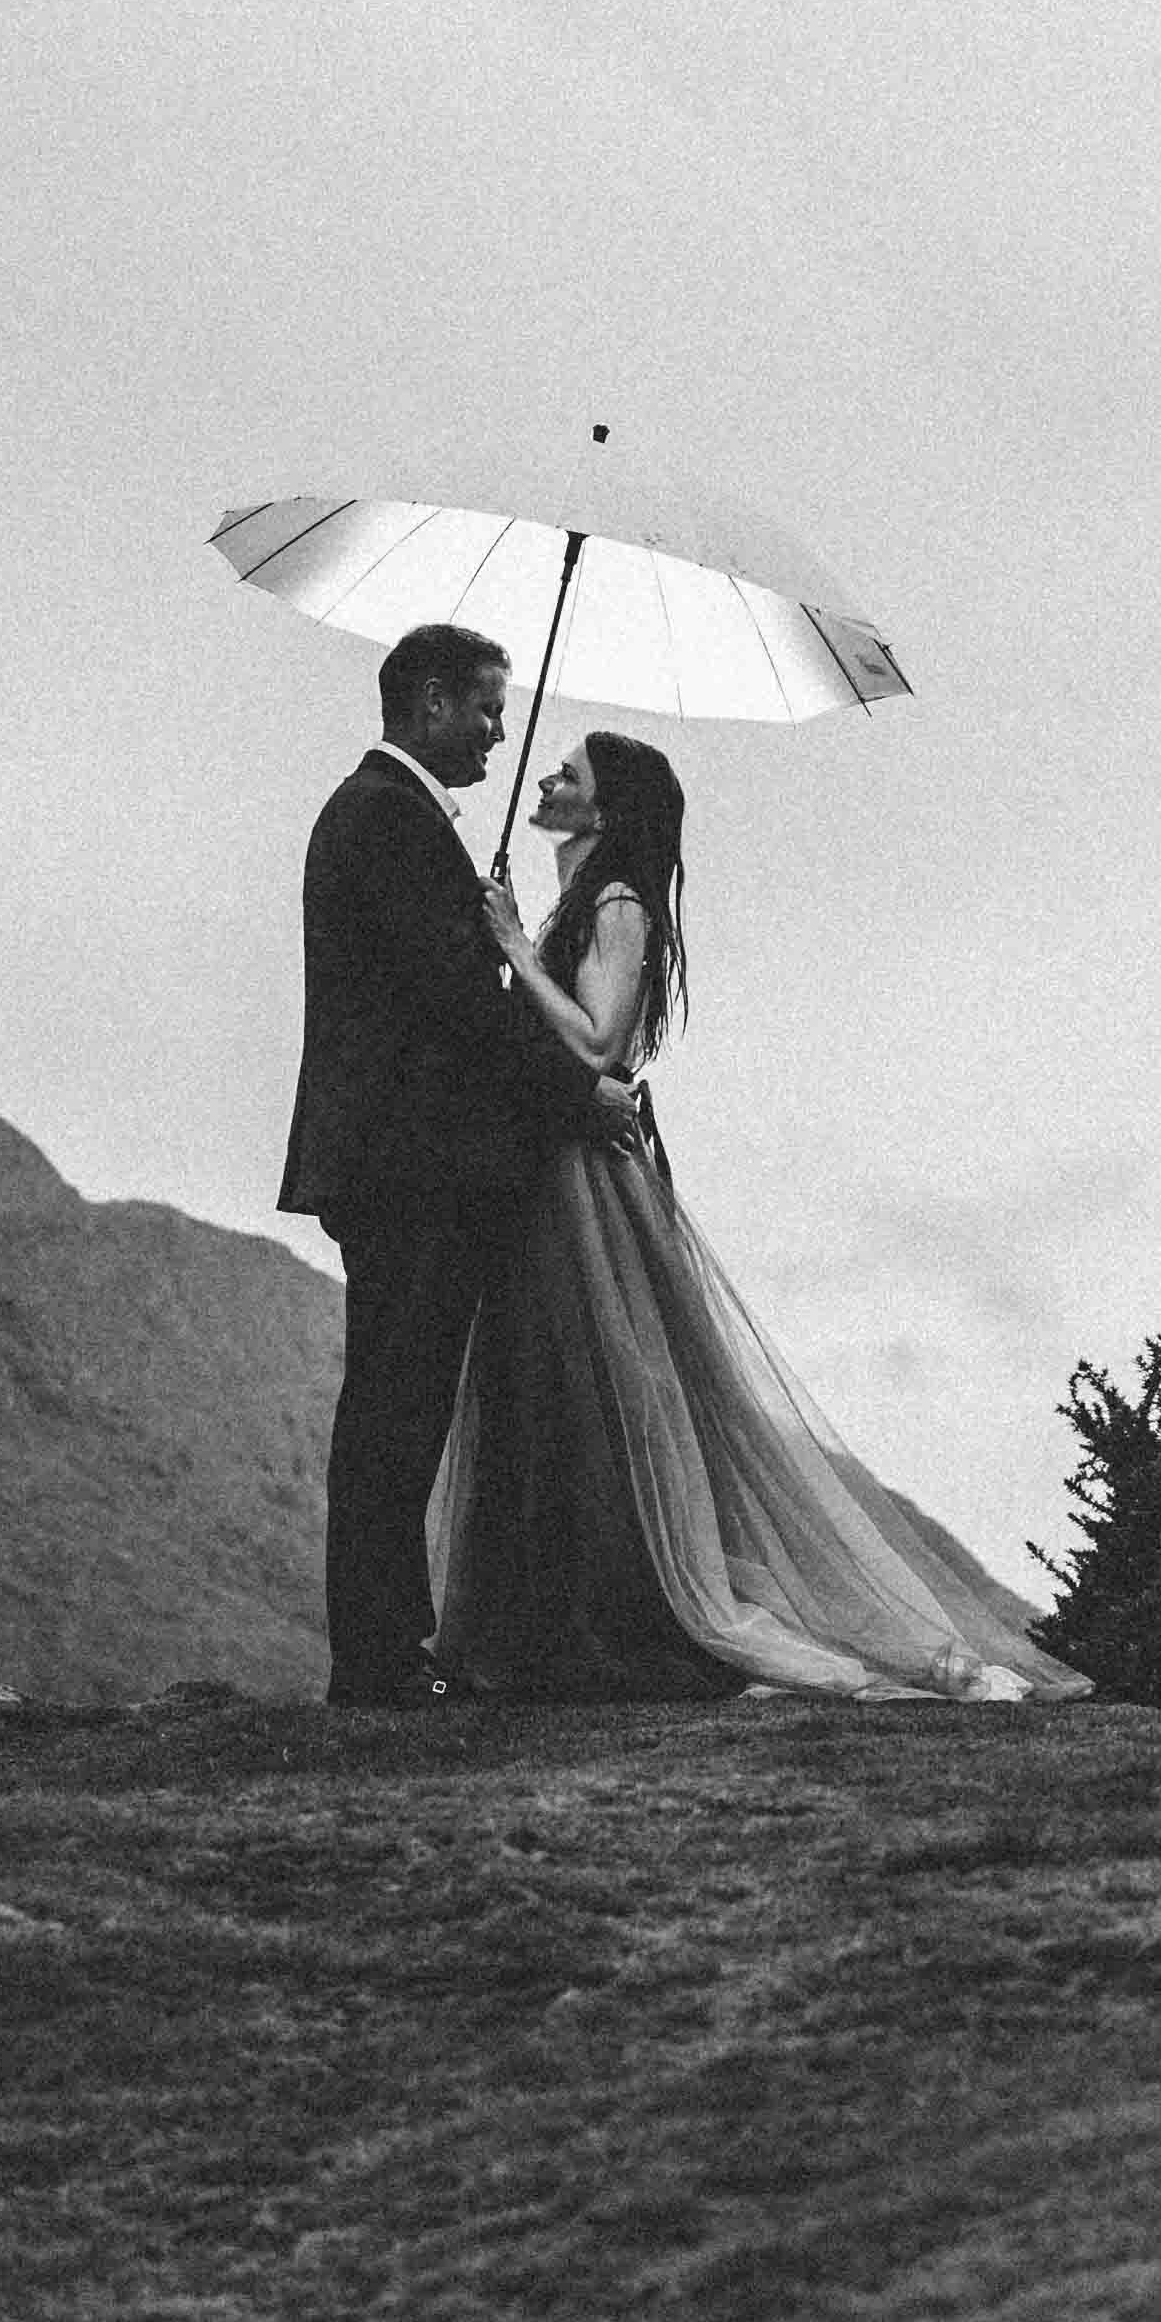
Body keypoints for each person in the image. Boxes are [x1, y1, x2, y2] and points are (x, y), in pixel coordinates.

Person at [431, 730, 1088, 1704]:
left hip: (579, 1189)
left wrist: (517, 948)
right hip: (547, 1173)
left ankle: (619, 1631)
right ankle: (549, 1635)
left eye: (570, 773)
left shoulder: (614, 904)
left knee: (590, 1394)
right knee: (554, 1401)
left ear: (606, 811)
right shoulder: (586, 902)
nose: (548, 778)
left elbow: (599, 1039)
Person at [277, 624, 633, 1706]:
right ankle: (379, 1659)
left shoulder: (390, 821)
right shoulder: (387, 820)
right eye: (485, 707)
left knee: (400, 1401)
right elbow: (457, 1005)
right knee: (396, 1405)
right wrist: (582, 1092)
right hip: (410, 1164)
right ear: (429, 703)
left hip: (403, 1161)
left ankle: (387, 1649)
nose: (496, 731)